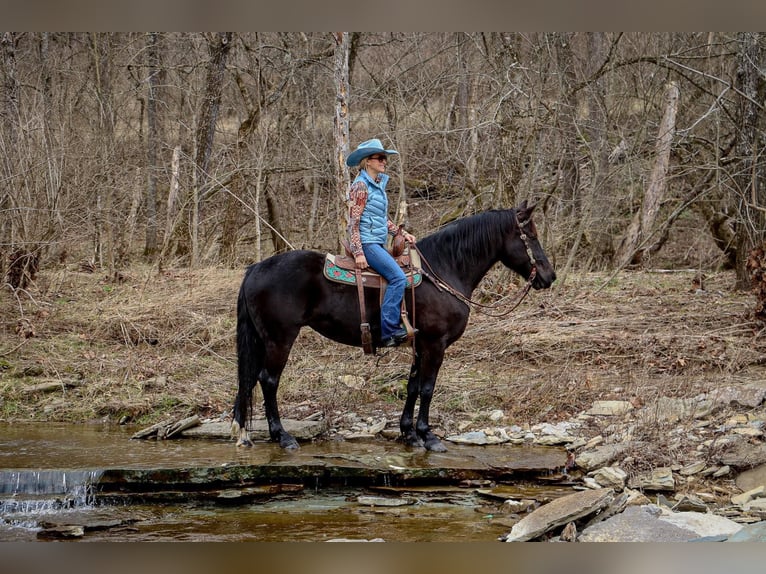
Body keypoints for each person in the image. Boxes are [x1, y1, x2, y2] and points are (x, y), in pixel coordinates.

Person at [345, 138, 417, 347]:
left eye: (385, 158)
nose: (384, 162)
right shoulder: (360, 186)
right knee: (397, 278)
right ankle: (389, 332)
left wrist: (401, 233)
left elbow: (380, 219)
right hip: (368, 244)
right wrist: (358, 252)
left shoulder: (376, 186)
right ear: (368, 161)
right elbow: (354, 223)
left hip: (377, 242)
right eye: (380, 158)